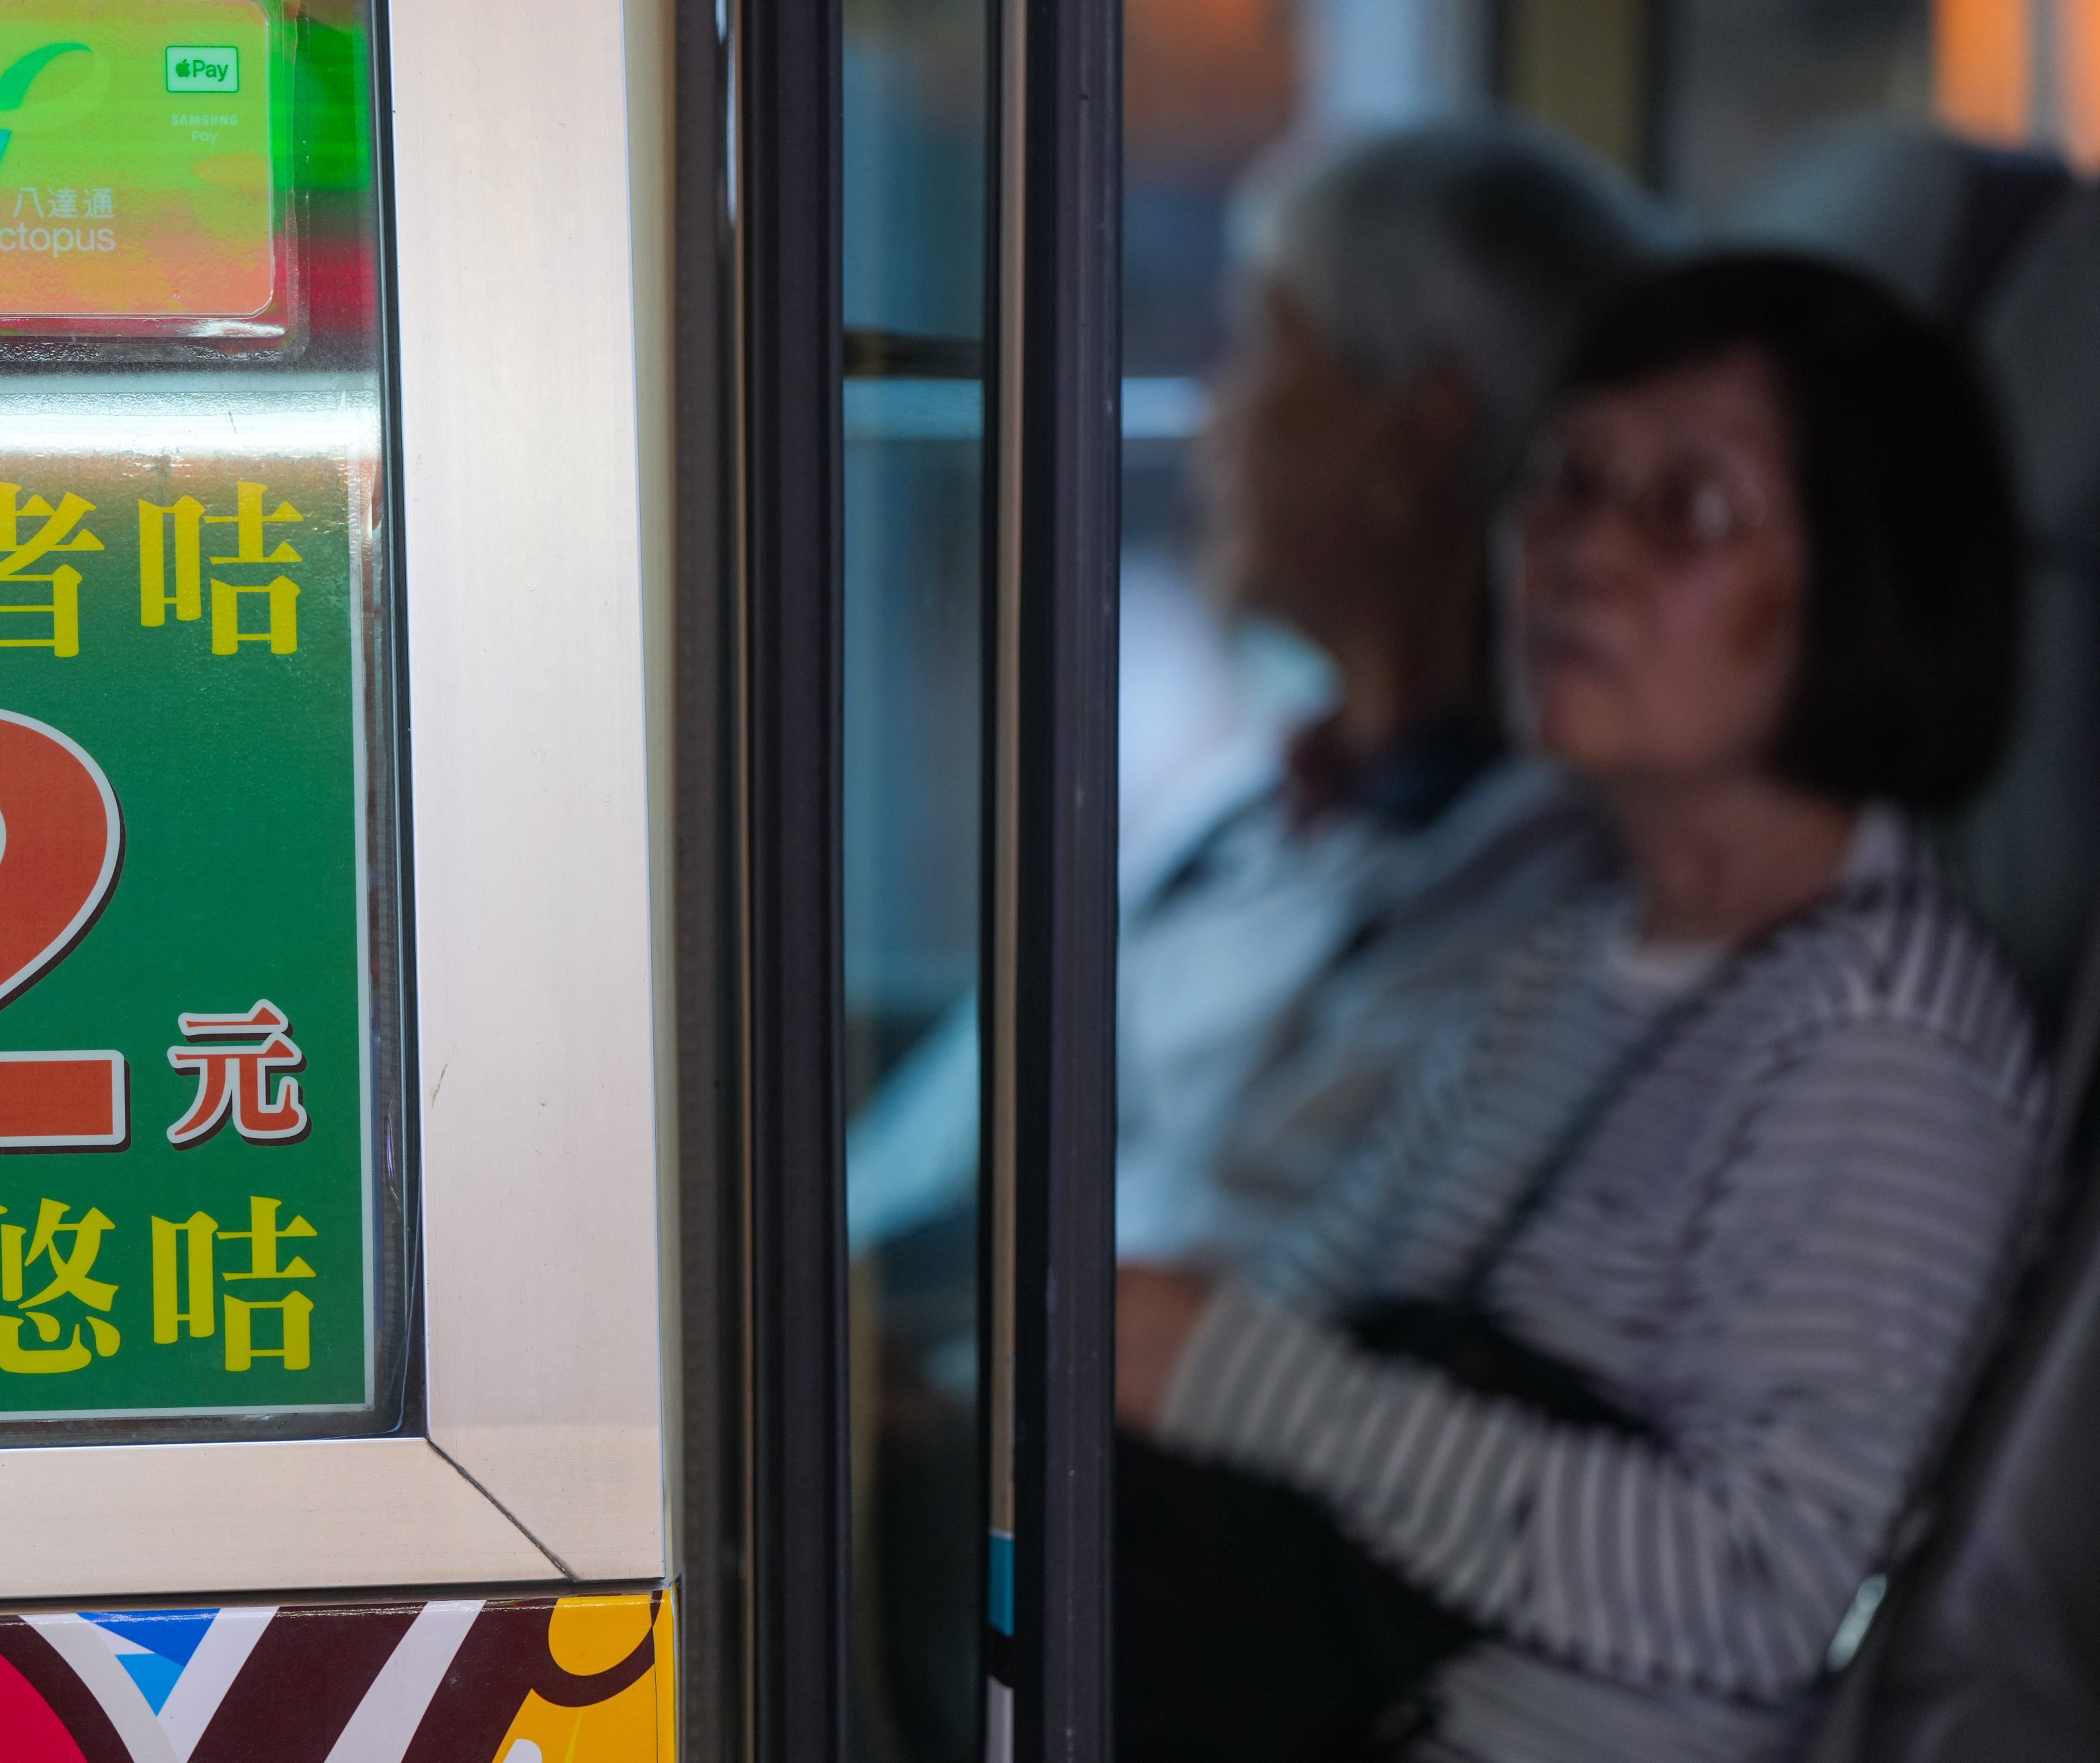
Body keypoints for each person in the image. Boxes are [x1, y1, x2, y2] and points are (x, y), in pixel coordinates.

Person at [1111, 254, 2048, 1763]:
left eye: (1680, 510)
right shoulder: (1568, 960)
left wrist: (1231, 1376)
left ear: (1864, 583)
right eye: (1562, 484)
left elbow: (1772, 1592)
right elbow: (1312, 1299)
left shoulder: (1883, 1036)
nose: (1575, 556)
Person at [850, 118, 1670, 1274]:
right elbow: (932, 1150)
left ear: (1416, 434)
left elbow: (1218, 1289)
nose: (1213, 417)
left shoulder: (1525, 882)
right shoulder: (1255, 800)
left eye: (1258, 351)